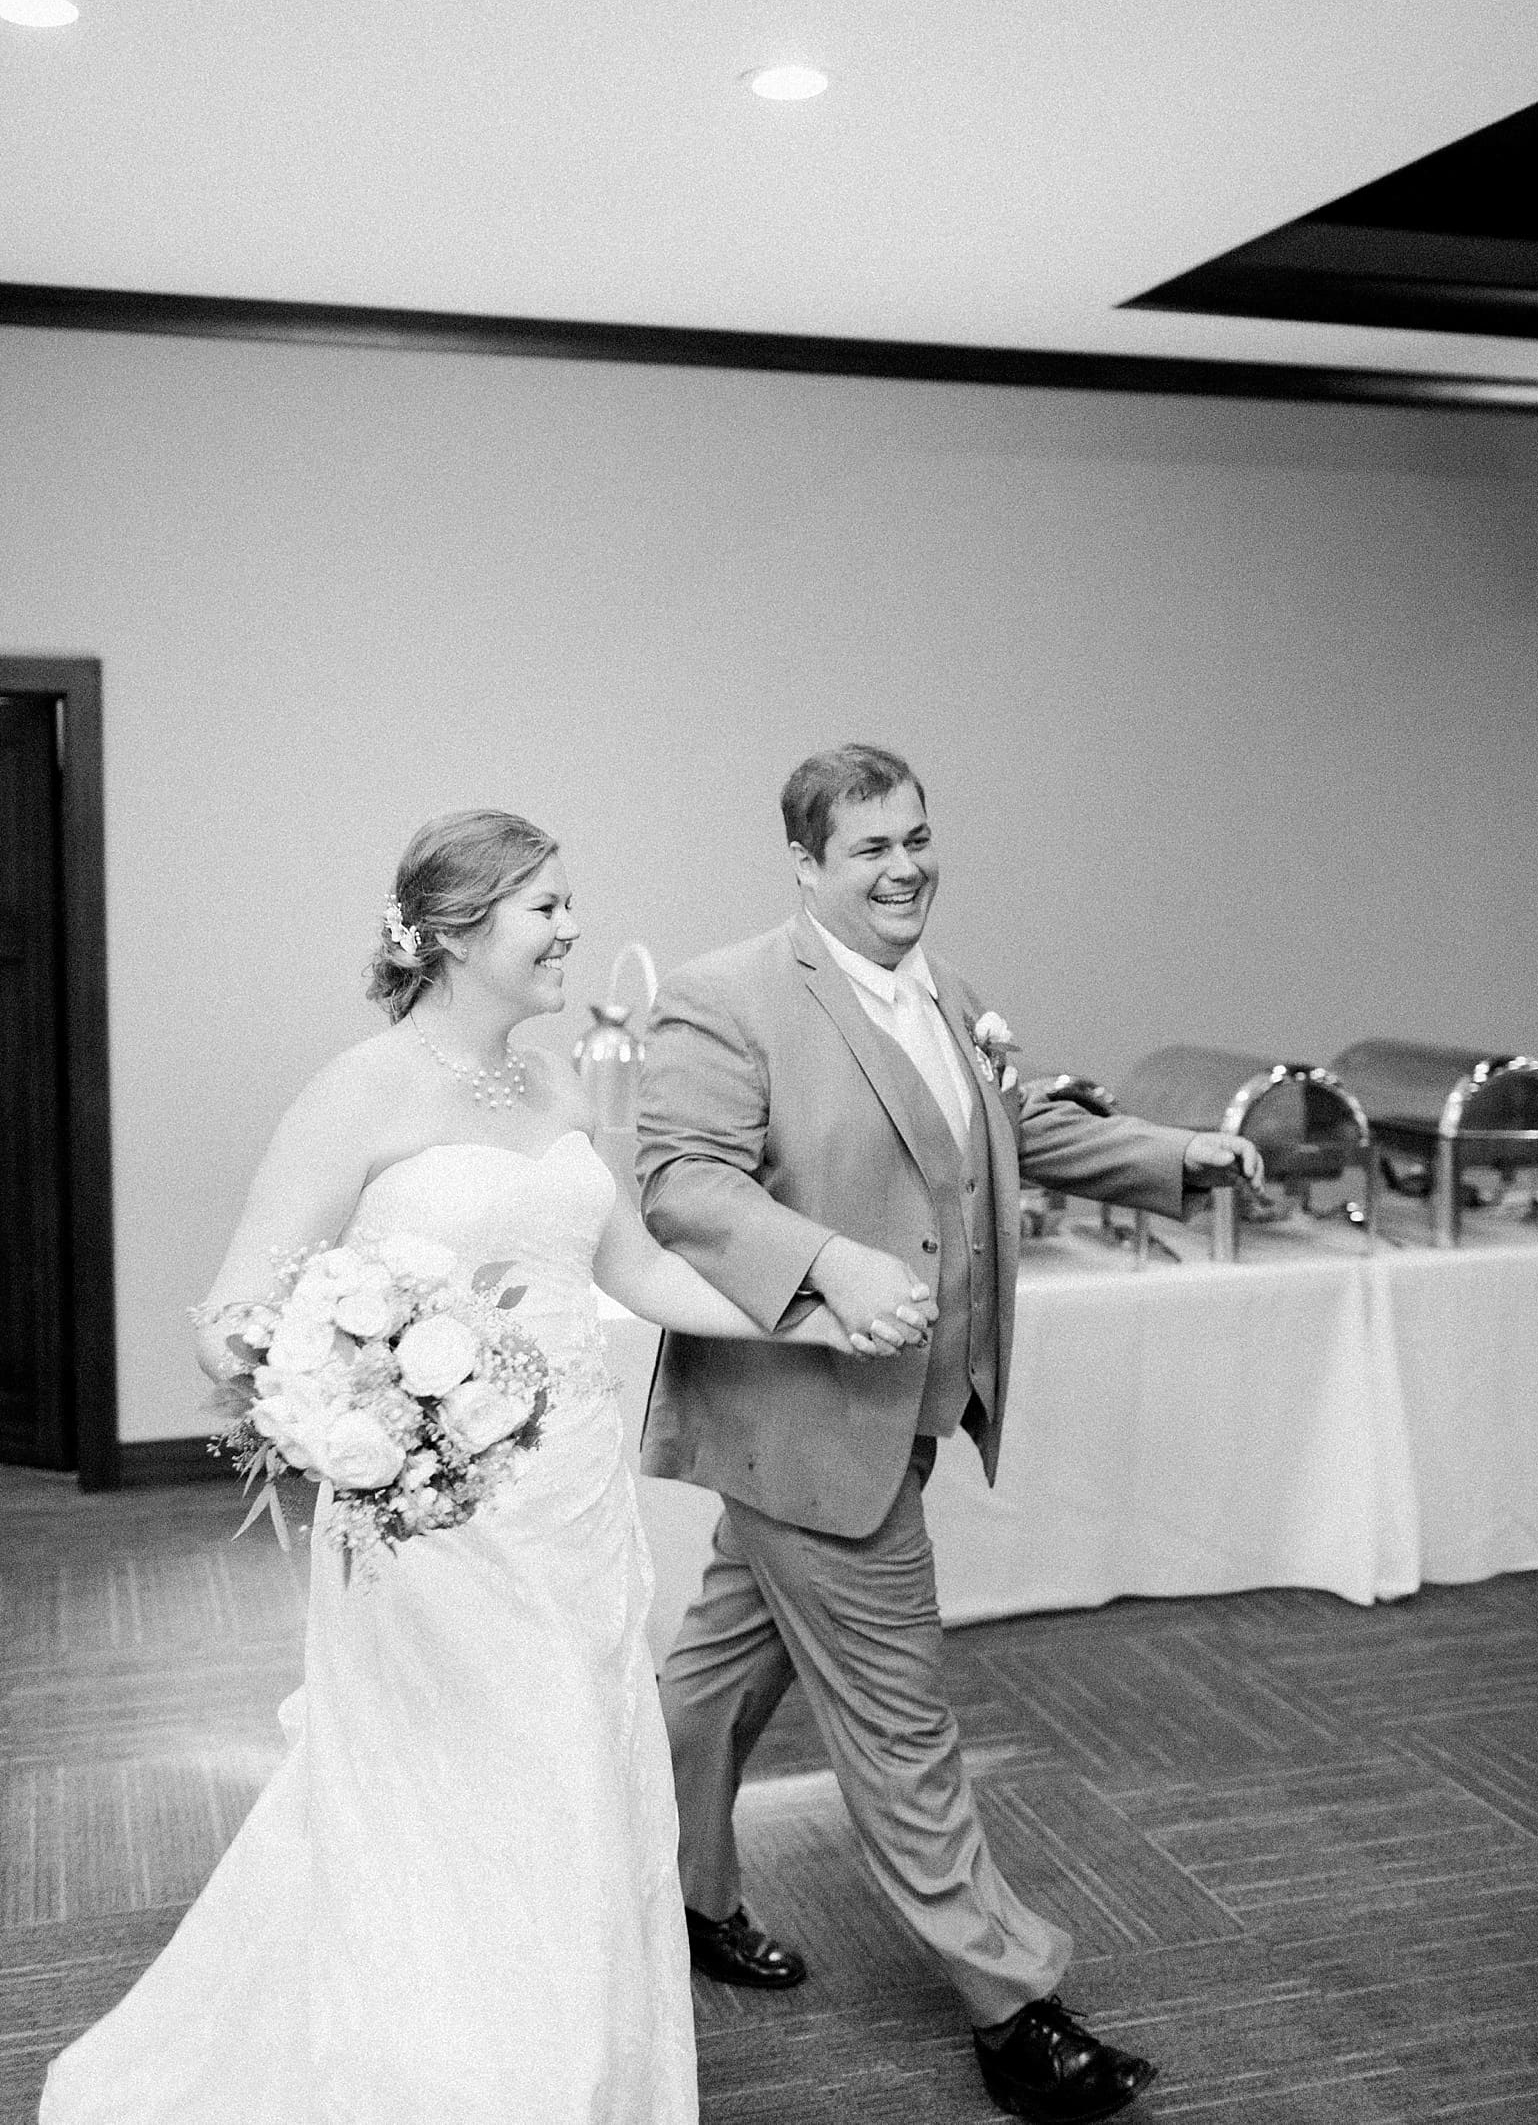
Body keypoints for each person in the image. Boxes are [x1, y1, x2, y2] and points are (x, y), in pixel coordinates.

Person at [40, 807, 906, 2125]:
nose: (573, 930)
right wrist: (369, 1415)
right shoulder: (361, 1090)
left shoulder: (562, 1086)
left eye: (569, 903)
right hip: (430, 1523)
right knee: (462, 1787)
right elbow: (234, 1314)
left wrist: (807, 1318)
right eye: (546, 907)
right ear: (452, 933)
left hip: (572, 1503)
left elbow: (636, 1270)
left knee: (575, 1777)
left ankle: (574, 2073)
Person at [635, 746, 1264, 2125]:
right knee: (902, 1723)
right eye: (869, 849)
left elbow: (999, 1126)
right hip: (809, 1418)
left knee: (714, 1682)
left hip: (901, 1416)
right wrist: (827, 1266)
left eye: (918, 837)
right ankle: (1014, 2009)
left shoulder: (950, 994)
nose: (906, 866)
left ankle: (660, 1889)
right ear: (805, 866)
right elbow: (678, 1181)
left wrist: (1172, 1157)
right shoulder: (728, 997)